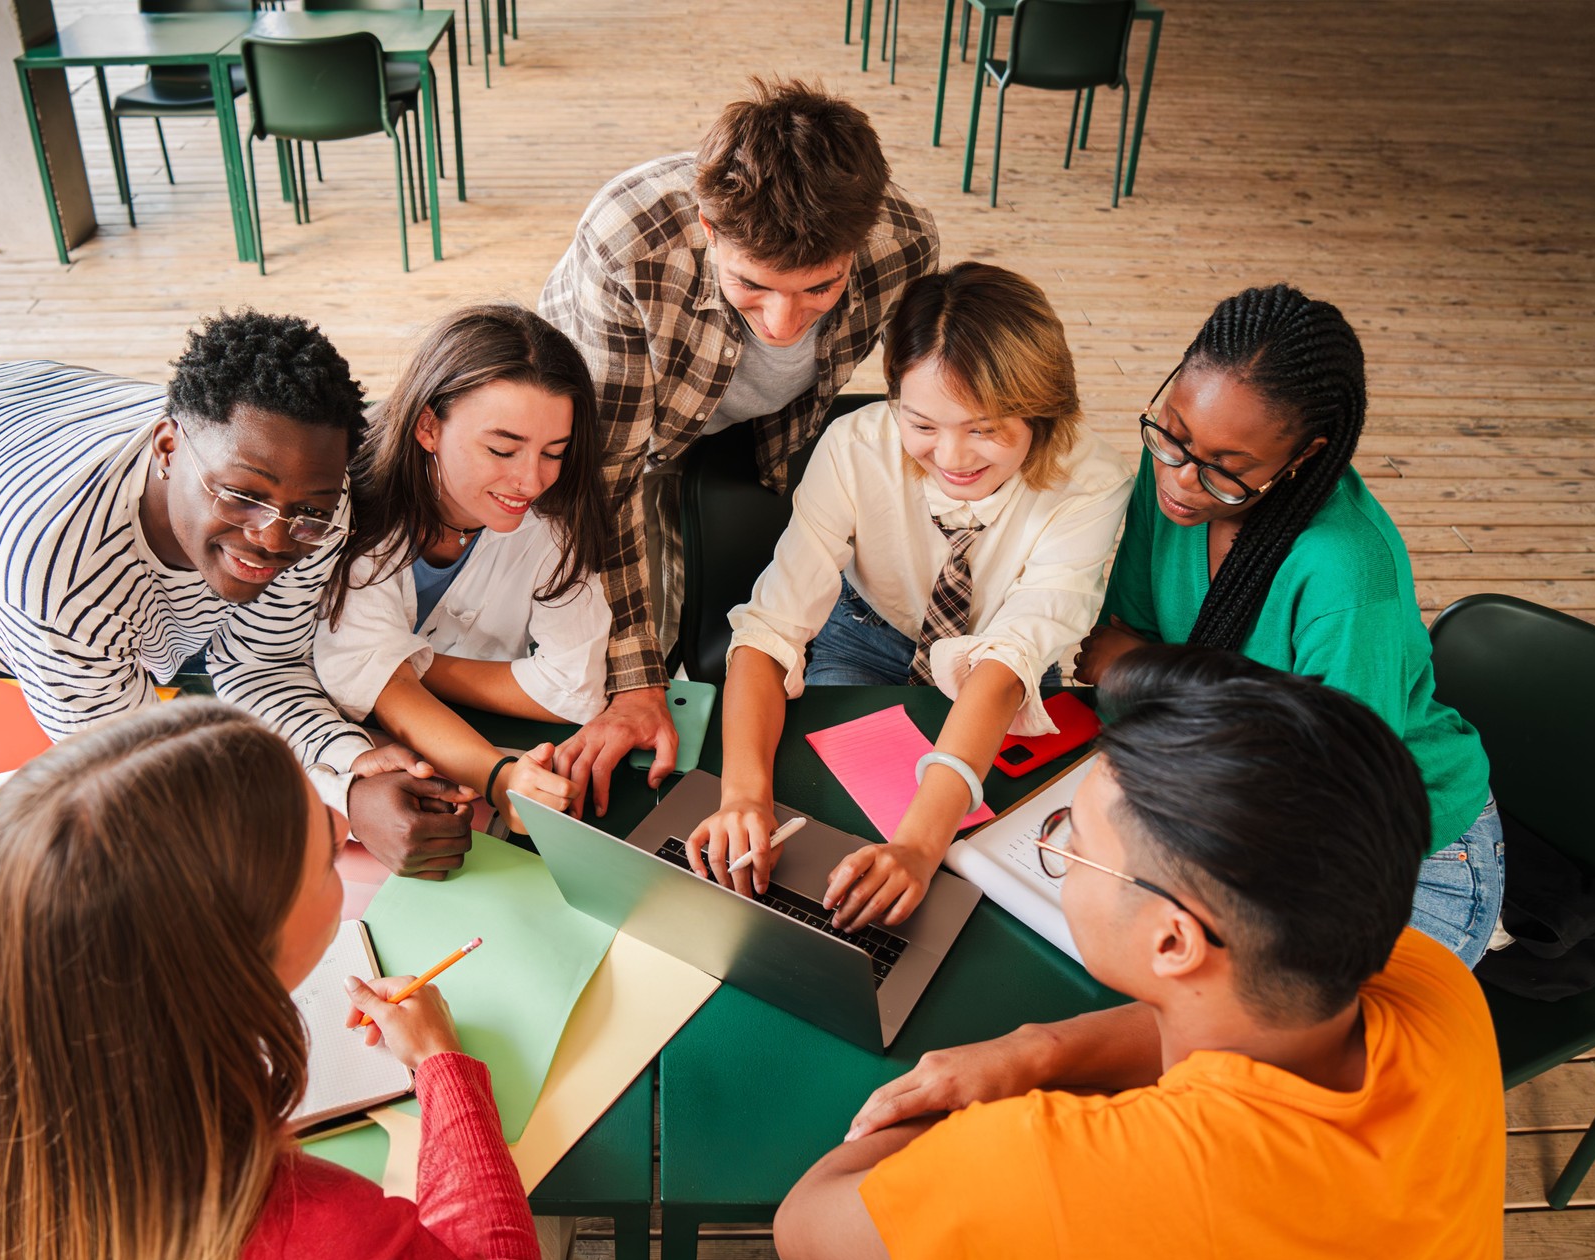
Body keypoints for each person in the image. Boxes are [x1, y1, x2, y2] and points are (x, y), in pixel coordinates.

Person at [772, 647, 1506, 1260]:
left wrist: (976, 1137)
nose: (1058, 854)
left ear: (1172, 941)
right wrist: (1038, 1050)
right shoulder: (1430, 980)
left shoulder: (1059, 1171)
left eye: (1071, 844)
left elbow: (806, 1226)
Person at [0, 699, 540, 1260]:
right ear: (235, 953)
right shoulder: (315, 1231)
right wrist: (443, 1070)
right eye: (326, 859)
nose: (344, 842)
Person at [0, 310, 474, 873]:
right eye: (244, 496)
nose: (274, 541)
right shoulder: (54, 569)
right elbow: (139, 762)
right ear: (167, 448)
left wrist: (353, 763)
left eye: (303, 513)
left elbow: (264, 665)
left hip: (36, 423)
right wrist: (336, 799)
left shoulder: (316, 506)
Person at [686, 264, 1130, 930]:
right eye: (921, 423)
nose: (951, 456)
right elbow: (771, 626)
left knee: (981, 851)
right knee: (822, 819)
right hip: (862, 635)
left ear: (1043, 410)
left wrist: (921, 846)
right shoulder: (854, 447)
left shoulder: (1091, 480)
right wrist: (743, 797)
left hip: (1002, 672)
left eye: (984, 429)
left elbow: (1010, 659)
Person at [541, 76, 940, 814]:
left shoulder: (907, 245)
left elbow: (920, 412)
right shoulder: (627, 244)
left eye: (819, 290)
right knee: (622, 654)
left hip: (776, 429)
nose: (785, 323)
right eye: (753, 286)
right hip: (625, 432)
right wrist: (636, 684)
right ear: (707, 227)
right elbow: (608, 478)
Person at [1073, 284, 1502, 966]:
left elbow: (1333, 792)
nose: (1183, 479)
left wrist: (1145, 676)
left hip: (1396, 855)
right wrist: (1172, 685)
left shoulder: (1345, 572)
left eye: (1226, 468)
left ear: (1303, 456)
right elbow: (1114, 647)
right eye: (1174, 434)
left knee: (1244, 1030)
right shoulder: (1172, 484)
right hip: (1228, 798)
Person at [316, 304, 613, 836]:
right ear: (428, 426)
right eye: (502, 449)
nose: (529, 481)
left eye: (555, 452)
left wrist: (411, 665)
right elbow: (382, 688)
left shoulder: (552, 523)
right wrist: (497, 775)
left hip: (444, 748)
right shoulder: (349, 505)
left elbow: (573, 690)